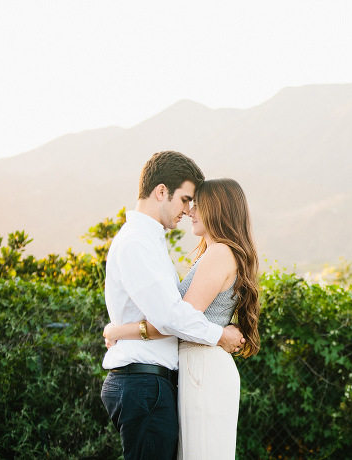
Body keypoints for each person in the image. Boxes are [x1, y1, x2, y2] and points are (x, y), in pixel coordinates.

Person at [101, 152, 245, 460]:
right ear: (161, 191)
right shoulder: (139, 242)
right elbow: (170, 317)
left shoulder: (150, 241)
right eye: (185, 199)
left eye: (195, 203)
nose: (189, 210)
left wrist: (118, 330)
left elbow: (170, 314)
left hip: (154, 381)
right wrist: (220, 335)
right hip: (144, 381)